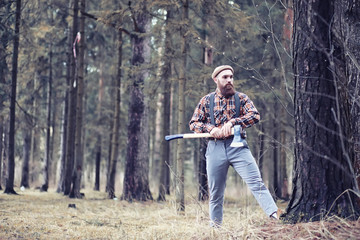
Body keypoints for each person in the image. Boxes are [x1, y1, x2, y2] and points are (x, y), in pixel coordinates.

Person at [189, 65, 278, 226]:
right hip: (215, 148)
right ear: (216, 80)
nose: (229, 80)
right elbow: (194, 123)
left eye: (231, 77)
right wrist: (211, 129)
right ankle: (215, 229)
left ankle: (274, 217)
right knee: (215, 193)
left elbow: (255, 116)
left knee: (256, 183)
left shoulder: (241, 98)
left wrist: (233, 122)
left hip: (238, 147)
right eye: (225, 77)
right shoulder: (206, 101)